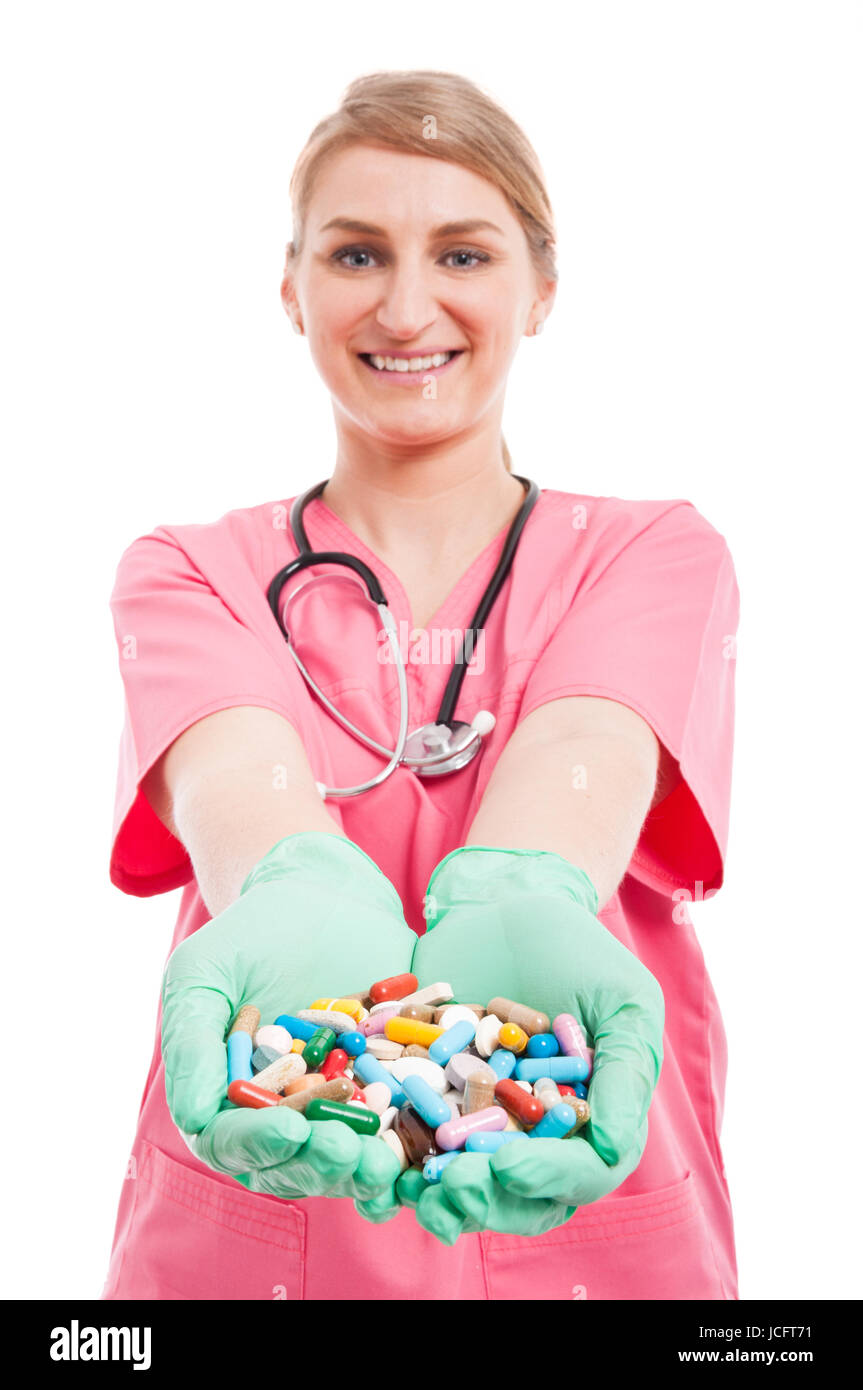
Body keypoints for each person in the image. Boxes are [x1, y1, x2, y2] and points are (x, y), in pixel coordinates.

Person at [102, 70, 740, 1301]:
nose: (405, 308)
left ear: (539, 287)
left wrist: (523, 884)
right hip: (269, 1217)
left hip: (579, 1217)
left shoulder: (655, 551)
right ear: (288, 287)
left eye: (461, 253)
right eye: (354, 255)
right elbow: (234, 772)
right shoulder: (188, 571)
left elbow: (590, 746)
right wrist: (291, 876)